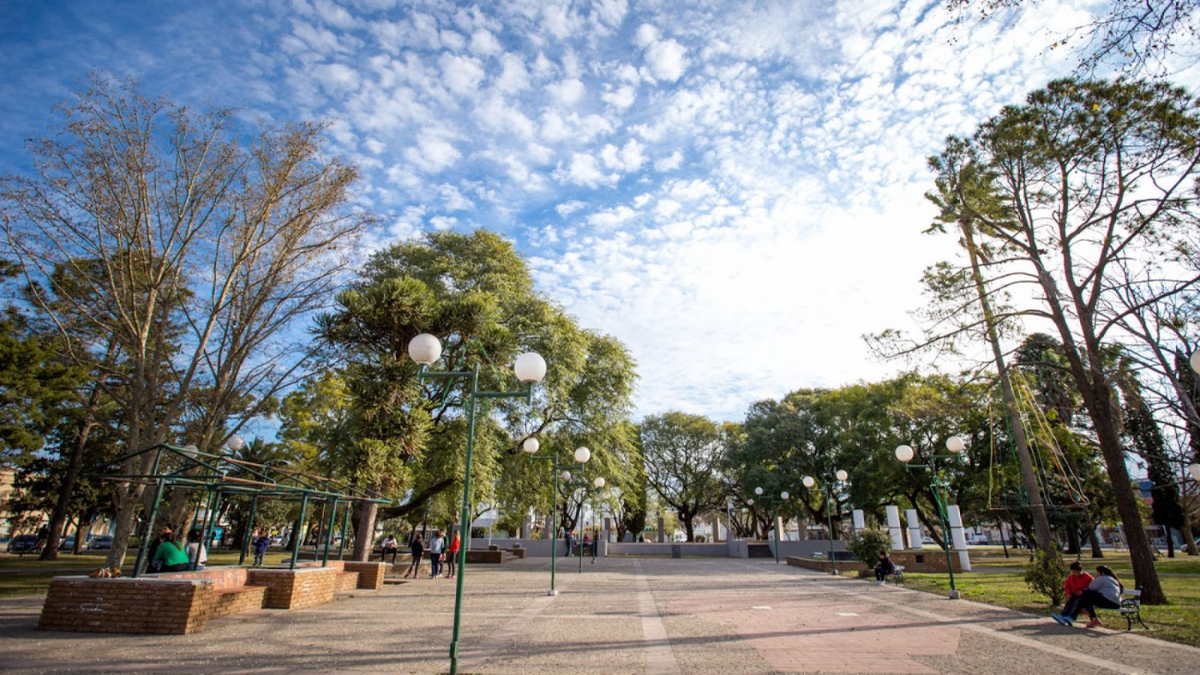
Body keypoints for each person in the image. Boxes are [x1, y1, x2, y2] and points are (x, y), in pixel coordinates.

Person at [1054, 564, 1122, 627]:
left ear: (1102, 573)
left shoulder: (1102, 578)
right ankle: (1093, 619)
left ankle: (1070, 616)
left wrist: (1082, 591)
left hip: (1108, 601)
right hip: (1115, 603)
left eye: (1097, 572)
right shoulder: (1112, 579)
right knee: (1084, 599)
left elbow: (1091, 587)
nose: (1096, 574)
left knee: (1085, 594)